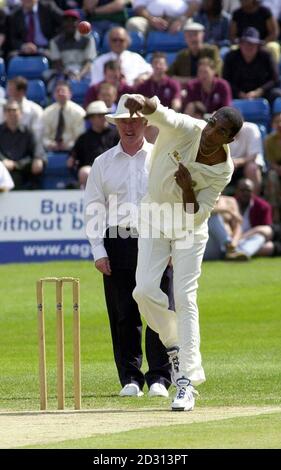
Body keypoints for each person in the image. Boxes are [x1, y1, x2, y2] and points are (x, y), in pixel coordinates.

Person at [124, 94, 243, 411]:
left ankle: (187, 381)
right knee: (144, 291)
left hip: (190, 228)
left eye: (219, 131)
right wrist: (142, 103)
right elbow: (164, 115)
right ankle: (174, 345)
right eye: (212, 122)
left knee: (185, 296)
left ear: (229, 139)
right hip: (153, 217)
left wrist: (188, 187)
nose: (210, 131)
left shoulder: (223, 169)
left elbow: (198, 213)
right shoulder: (190, 128)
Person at [84, 94, 174, 398]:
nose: (129, 126)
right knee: (124, 314)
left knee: (159, 310)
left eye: (135, 120)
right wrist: (98, 250)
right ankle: (131, 379)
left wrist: (175, 245)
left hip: (157, 239)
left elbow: (173, 203)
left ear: (146, 122)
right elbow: (93, 207)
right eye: (124, 121)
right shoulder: (102, 162)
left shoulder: (161, 157)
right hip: (118, 241)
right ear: (117, 124)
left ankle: (160, 378)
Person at [223, 27, 281, 105]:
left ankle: (276, 117)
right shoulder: (231, 56)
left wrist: (259, 91)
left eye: (252, 44)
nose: (248, 46)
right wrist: (239, 93)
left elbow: (275, 79)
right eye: (245, 43)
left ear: (258, 46)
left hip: (263, 94)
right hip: (236, 95)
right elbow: (226, 80)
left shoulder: (266, 56)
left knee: (276, 94)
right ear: (240, 44)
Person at [68, 100, 119, 188]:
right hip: (92, 172)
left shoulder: (116, 134)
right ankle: (89, 199)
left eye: (105, 115)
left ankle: (113, 199)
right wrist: (71, 159)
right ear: (91, 118)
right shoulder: (83, 138)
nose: (103, 118)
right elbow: (73, 158)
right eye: (100, 116)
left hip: (114, 170)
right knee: (84, 172)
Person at [0, 99, 45, 189]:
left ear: (21, 113)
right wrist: (3, 161)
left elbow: (36, 151)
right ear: (4, 113)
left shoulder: (28, 133)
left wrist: (38, 159)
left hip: (23, 169)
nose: (12, 113)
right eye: (9, 110)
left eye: (15, 110)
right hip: (2, 170)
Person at [168, 20, 221, 85]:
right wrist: (190, 80)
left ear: (202, 35)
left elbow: (216, 74)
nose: (193, 38)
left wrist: (191, 81)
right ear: (185, 38)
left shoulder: (211, 51)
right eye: (189, 35)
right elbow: (168, 76)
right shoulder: (182, 55)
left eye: (196, 34)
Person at [41, 80, 85, 151]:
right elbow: (44, 136)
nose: (60, 93)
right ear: (54, 95)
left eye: (63, 91)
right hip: (51, 149)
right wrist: (50, 144)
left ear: (70, 94)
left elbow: (80, 137)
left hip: (73, 150)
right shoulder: (47, 112)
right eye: (58, 91)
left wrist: (68, 145)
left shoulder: (79, 112)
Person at [264, 112, 281, 222]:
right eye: (276, 122)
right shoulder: (269, 140)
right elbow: (270, 161)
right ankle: (275, 213)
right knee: (272, 176)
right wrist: (278, 169)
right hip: (277, 169)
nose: (279, 124)